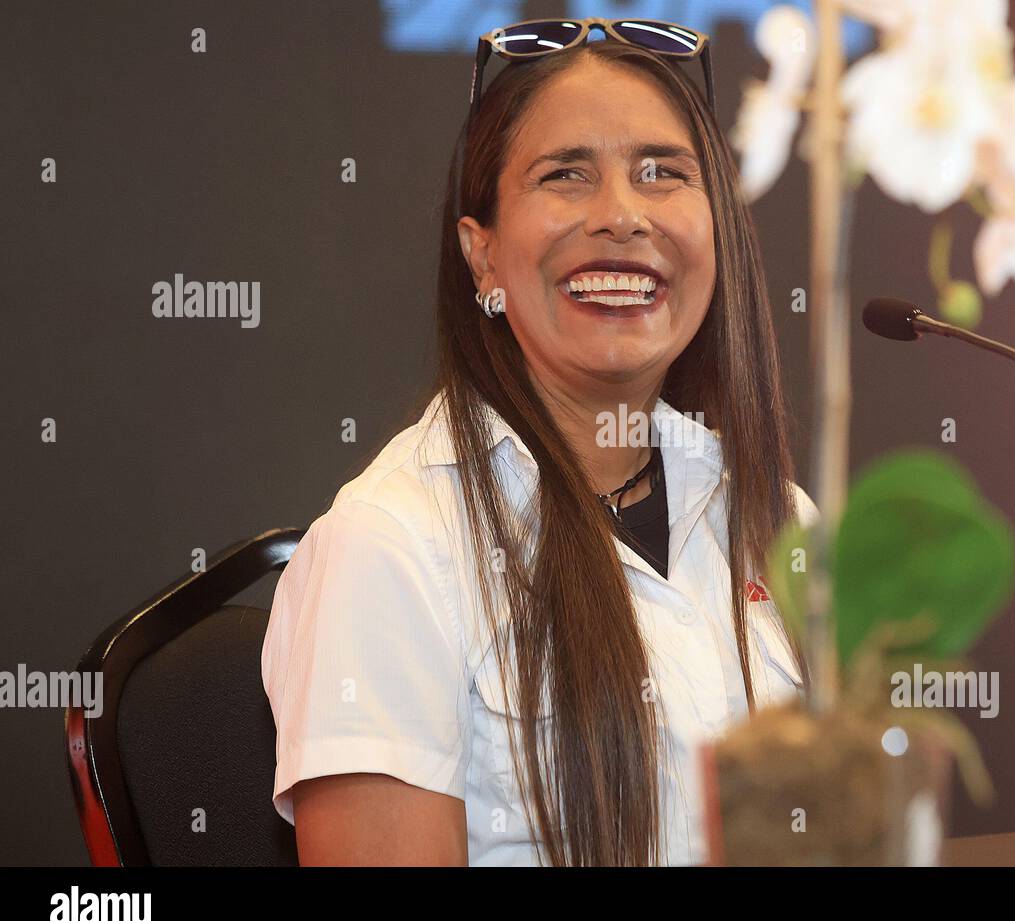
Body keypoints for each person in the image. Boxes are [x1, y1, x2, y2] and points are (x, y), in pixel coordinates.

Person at [261, 19, 818, 867]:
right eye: (566, 175)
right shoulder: (390, 546)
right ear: (481, 256)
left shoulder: (778, 518)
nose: (623, 215)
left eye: (663, 172)